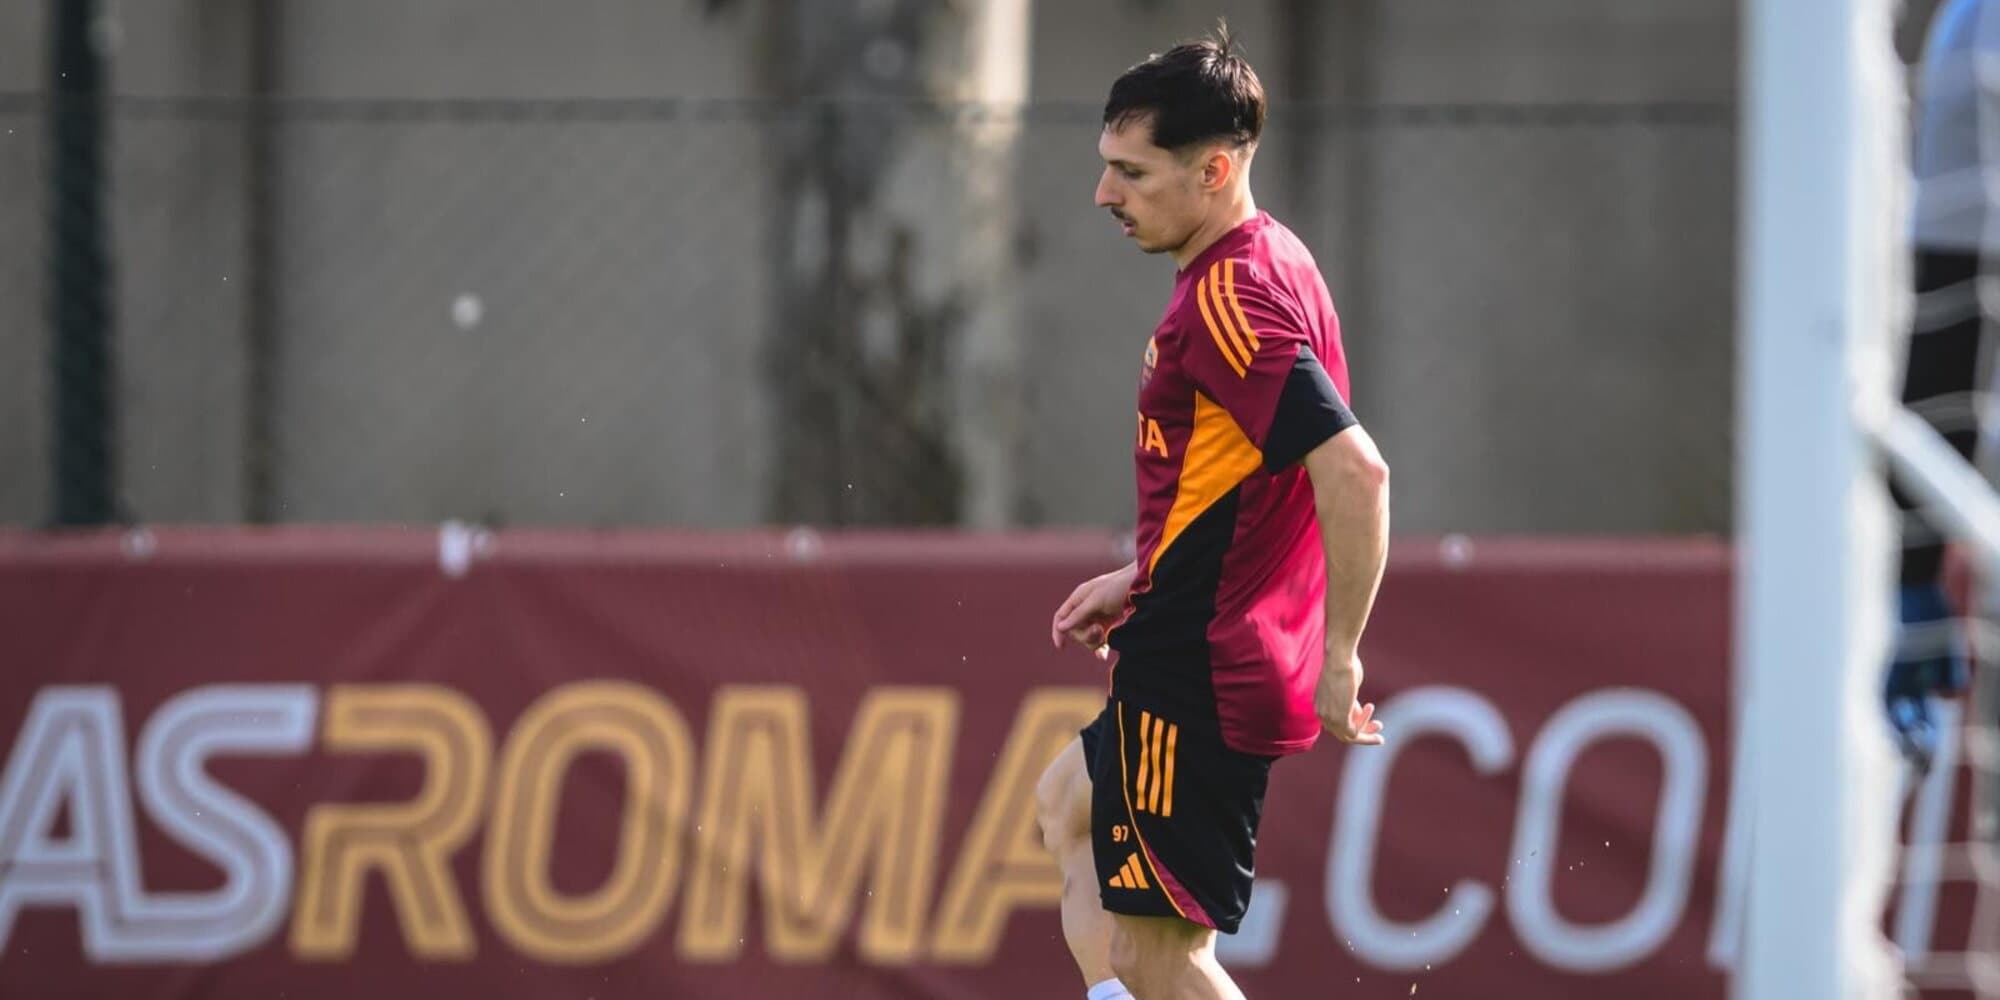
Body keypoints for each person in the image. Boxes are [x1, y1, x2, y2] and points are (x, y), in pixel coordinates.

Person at [1033, 26, 1391, 1000]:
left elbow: (1355, 473)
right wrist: (1141, 572)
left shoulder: (1230, 299)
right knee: (1067, 809)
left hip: (1199, 664)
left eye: (1130, 172)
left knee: (1159, 956)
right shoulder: (1267, 257)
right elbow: (1255, 475)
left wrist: (1342, 654)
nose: (1103, 193)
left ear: (1213, 171)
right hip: (1191, 628)